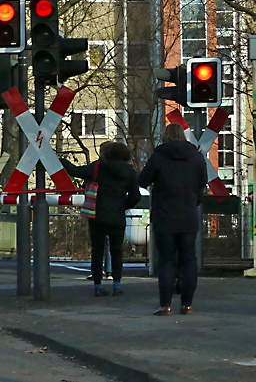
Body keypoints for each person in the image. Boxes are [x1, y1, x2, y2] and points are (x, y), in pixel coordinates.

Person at [139, 122, 208, 315]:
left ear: (165, 136)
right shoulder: (196, 156)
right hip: (188, 214)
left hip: (164, 215)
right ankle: (187, 304)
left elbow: (143, 181)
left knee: (166, 260)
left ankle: (165, 305)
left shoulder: (159, 156)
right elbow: (203, 182)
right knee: (189, 259)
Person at [61, 141, 141, 296]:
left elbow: (75, 171)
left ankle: (98, 285)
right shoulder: (130, 171)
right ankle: (116, 285)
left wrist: (60, 160)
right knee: (116, 251)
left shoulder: (98, 167)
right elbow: (135, 196)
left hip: (97, 213)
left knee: (97, 251)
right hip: (117, 215)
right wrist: (122, 206)